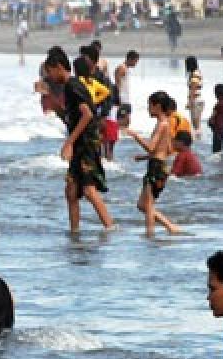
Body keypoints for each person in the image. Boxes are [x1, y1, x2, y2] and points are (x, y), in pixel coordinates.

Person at [43, 51, 114, 232]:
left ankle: (111, 228)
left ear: (59, 67)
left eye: (49, 72)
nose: (49, 76)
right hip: (80, 143)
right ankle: (74, 233)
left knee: (89, 191)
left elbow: (87, 114)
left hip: (86, 143)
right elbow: (71, 117)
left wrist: (69, 143)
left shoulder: (73, 86)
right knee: (71, 191)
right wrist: (52, 101)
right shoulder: (70, 87)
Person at [126, 90, 182, 236]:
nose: (148, 109)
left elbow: (151, 147)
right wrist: (145, 157)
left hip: (156, 167)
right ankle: (170, 227)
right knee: (142, 205)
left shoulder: (161, 124)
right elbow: (168, 149)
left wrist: (136, 136)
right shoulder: (166, 124)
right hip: (159, 165)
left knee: (149, 205)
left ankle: (150, 235)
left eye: (149, 105)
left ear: (157, 106)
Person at [114, 50, 138, 116]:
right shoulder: (122, 68)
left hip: (126, 100)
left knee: (127, 121)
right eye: (135, 61)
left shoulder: (126, 68)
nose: (136, 63)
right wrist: (118, 100)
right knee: (122, 122)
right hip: (122, 100)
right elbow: (117, 84)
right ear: (130, 59)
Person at [185, 55, 204, 137]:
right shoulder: (198, 72)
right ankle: (198, 139)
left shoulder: (194, 74)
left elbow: (193, 89)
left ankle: (198, 141)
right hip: (199, 99)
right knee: (198, 125)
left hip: (195, 100)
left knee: (195, 125)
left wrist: (190, 102)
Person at [209, 84, 223, 164]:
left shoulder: (218, 105)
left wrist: (210, 122)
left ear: (218, 94)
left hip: (217, 128)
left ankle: (216, 162)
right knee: (220, 146)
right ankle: (221, 160)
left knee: (215, 148)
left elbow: (212, 117)